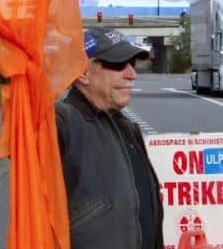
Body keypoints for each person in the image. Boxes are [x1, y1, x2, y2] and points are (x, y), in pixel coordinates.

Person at [55, 26, 164, 249]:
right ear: (83, 72)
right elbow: (28, 134)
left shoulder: (126, 127)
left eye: (132, 64)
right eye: (117, 64)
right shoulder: (64, 121)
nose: (131, 74)